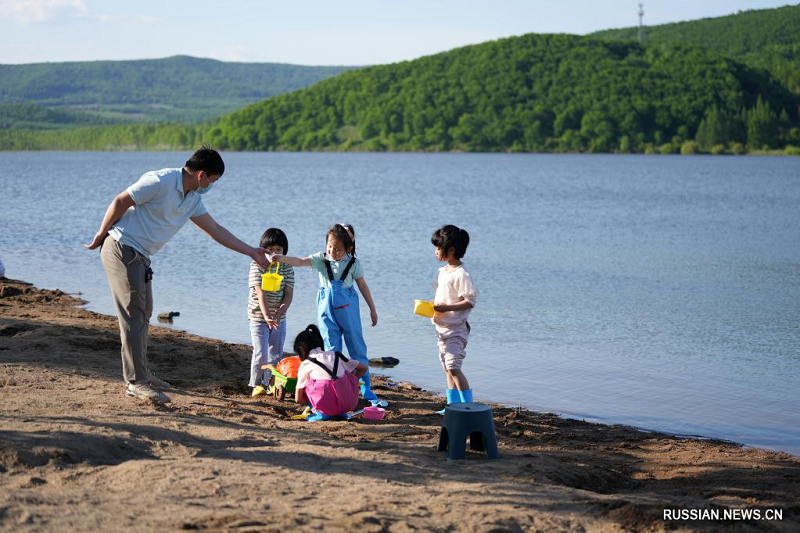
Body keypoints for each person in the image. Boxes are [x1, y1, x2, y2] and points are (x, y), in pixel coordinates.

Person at [84, 146, 269, 404]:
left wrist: (251, 251)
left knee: (144, 312)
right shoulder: (160, 181)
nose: (212, 186)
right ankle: (135, 382)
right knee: (133, 315)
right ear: (202, 175)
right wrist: (100, 234)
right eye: (213, 181)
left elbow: (216, 230)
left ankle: (143, 373)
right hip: (121, 247)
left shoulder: (192, 198)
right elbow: (121, 201)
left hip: (141, 256)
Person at [266, 223, 382, 404]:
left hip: (348, 310)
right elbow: (301, 261)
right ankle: (335, 381)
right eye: (329, 247)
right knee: (331, 348)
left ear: (348, 248)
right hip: (326, 311)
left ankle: (365, 385)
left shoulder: (353, 263)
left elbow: (363, 286)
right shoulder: (321, 260)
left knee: (356, 345)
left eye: (337, 249)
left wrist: (372, 309)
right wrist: (281, 258)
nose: (332, 252)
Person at [430, 225, 477, 413]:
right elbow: (444, 296)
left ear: (451, 249)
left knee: (454, 367)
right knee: (446, 367)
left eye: (438, 247)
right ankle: (453, 405)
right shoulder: (444, 271)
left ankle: (467, 405)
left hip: (456, 329)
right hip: (442, 327)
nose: (435, 251)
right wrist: (432, 305)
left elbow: (470, 301)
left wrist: (447, 308)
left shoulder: (461, 274)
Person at [248, 228, 294, 397]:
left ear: (284, 252)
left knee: (276, 353)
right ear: (263, 250)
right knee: (261, 353)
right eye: (270, 250)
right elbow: (260, 293)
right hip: (258, 316)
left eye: (278, 250)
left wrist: (278, 313)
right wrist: (267, 316)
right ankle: (256, 384)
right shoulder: (256, 265)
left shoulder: (287, 268)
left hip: (278, 317)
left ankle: (271, 384)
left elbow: (288, 294)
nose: (274, 254)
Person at [293, 324, 367, 420]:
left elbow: (298, 399)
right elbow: (363, 368)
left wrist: (310, 402)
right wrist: (353, 382)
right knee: (346, 376)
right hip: (348, 404)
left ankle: (321, 412)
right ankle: (337, 411)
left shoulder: (306, 364)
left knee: (308, 384)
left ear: (302, 350)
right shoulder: (336, 355)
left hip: (325, 407)